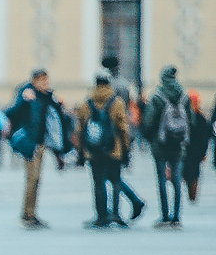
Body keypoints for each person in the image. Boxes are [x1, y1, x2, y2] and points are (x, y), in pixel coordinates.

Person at [73, 70, 132, 229]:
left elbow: (80, 130)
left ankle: (101, 216)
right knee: (116, 181)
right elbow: (123, 128)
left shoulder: (87, 103)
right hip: (114, 150)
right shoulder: (117, 102)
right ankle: (116, 214)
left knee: (98, 183)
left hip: (93, 151)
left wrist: (80, 153)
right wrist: (126, 150)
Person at [5, 68, 62, 229]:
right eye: (42, 81)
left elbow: (55, 116)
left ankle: (31, 213)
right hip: (30, 142)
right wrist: (24, 100)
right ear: (34, 81)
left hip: (42, 142)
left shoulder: (47, 96)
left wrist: (58, 103)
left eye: (46, 81)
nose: (45, 84)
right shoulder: (25, 93)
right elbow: (11, 112)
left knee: (36, 179)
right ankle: (26, 214)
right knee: (32, 178)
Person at [141, 65, 189, 228]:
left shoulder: (157, 96)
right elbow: (191, 120)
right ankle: (176, 216)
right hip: (179, 144)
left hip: (160, 144)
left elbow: (149, 121)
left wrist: (149, 138)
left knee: (162, 180)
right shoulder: (184, 96)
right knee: (177, 180)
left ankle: (165, 215)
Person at [101, 55, 146, 220]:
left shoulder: (108, 85)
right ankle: (120, 208)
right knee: (114, 173)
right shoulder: (124, 84)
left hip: (110, 133)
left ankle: (118, 209)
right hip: (123, 132)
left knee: (109, 174)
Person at [182, 90, 211, 203]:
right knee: (194, 171)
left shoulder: (185, 116)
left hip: (188, 149)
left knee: (188, 171)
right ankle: (192, 187)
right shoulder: (201, 117)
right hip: (197, 150)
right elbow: (205, 137)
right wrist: (204, 152)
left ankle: (191, 186)